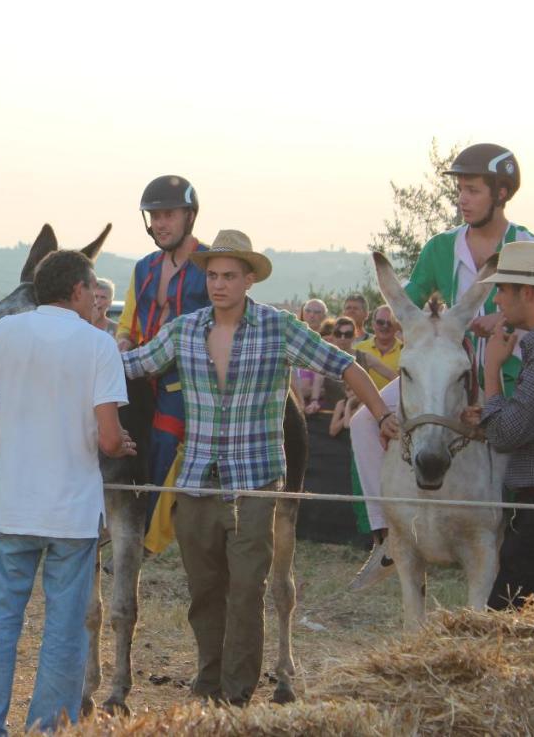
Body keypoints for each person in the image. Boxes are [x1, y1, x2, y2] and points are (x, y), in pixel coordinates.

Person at [122, 230, 397, 706]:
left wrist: (383, 414)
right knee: (204, 593)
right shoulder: (184, 330)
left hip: (256, 482)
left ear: (249, 279)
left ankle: (235, 696)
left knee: (247, 592)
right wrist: (68, 353)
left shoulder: (279, 328)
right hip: (196, 483)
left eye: (229, 276)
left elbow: (345, 365)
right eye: (212, 276)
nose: (219, 285)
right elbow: (129, 364)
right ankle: (206, 686)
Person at [350, 143, 534, 588]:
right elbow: (414, 300)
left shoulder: (531, 247)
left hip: (512, 377)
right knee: (365, 422)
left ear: (501, 194)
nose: (462, 199)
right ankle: (388, 533)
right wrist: (411, 328)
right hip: (439, 379)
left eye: (473, 190)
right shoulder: (440, 247)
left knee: (509, 443)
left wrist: (504, 318)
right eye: (460, 189)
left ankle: (506, 543)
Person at [0, 249, 133, 735]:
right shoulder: (98, 344)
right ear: (78, 290)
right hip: (71, 514)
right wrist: (121, 443)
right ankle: (44, 730)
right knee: (63, 636)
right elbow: (106, 438)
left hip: (12, 506)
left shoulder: (6, 330)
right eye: (92, 290)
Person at [460, 242, 534, 608]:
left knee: (509, 625)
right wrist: (491, 414)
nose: (497, 300)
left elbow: (506, 434)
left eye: (502, 289)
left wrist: (491, 370)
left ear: (528, 292)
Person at [115, 175, 208, 531]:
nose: (160, 224)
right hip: (140, 368)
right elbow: (128, 323)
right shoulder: (143, 268)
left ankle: (147, 529)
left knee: (165, 437)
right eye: (154, 216)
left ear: (189, 216)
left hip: (186, 379)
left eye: (168, 214)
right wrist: (123, 340)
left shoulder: (211, 264)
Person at [354, 306, 402, 389]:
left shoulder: (405, 351)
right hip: (365, 401)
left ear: (396, 326)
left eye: (390, 323)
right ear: (373, 324)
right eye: (380, 322)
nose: (385, 326)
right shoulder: (358, 349)